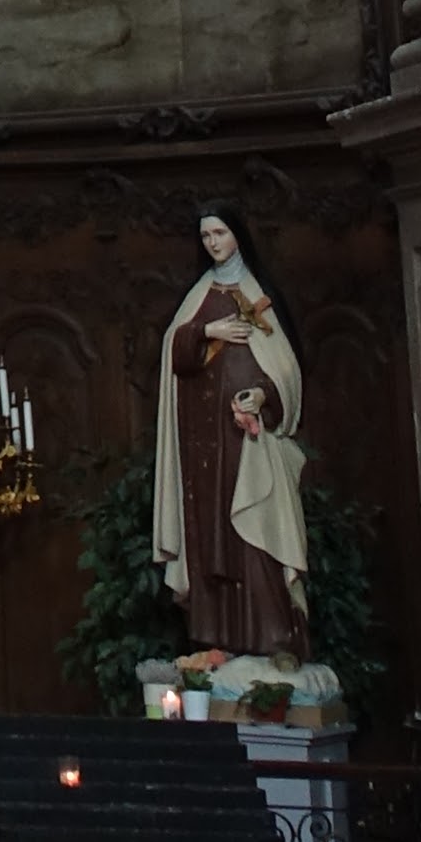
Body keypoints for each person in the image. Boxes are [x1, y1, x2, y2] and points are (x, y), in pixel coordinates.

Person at [150, 208, 308, 659]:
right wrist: (206, 330)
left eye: (220, 232)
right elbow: (175, 354)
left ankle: (275, 639)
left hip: (249, 445)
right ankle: (216, 642)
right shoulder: (198, 296)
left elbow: (287, 370)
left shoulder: (260, 295)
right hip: (203, 445)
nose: (213, 243)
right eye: (205, 236)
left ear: (238, 234)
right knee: (210, 538)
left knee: (257, 536)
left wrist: (261, 396)